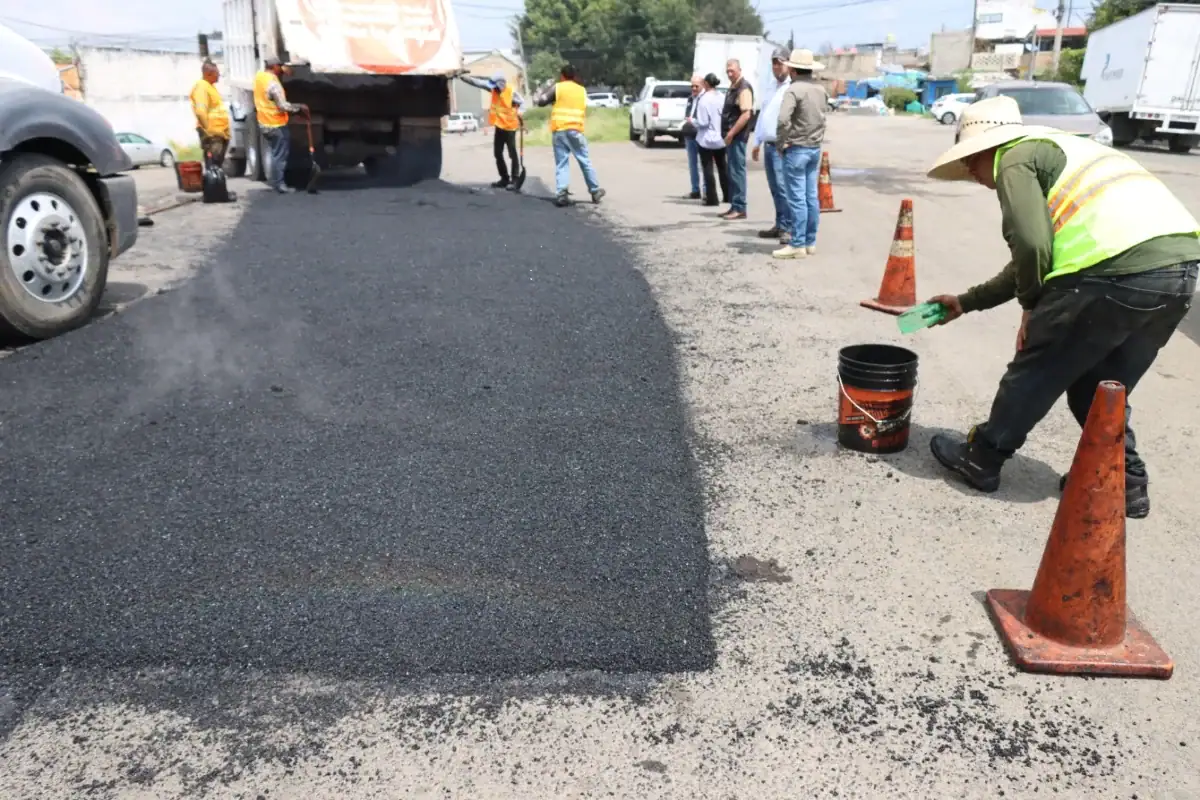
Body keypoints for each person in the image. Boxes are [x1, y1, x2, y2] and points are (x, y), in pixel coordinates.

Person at [923, 95, 1200, 518]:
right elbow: (1035, 258)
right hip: (1177, 273)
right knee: (1103, 388)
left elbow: (1032, 245)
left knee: (1035, 369)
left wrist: (1032, 309)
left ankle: (982, 458)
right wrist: (967, 301)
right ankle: (1124, 482)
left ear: (984, 149)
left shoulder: (1013, 158)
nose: (974, 177)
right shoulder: (1071, 149)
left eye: (970, 166)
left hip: (1110, 274)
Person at [773, 49, 828, 260]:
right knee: (810, 197)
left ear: (793, 70)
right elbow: (823, 119)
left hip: (796, 148)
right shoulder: (820, 90)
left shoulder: (793, 90)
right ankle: (809, 241)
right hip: (814, 148)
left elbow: (782, 120)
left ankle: (797, 244)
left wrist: (781, 142)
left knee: (796, 199)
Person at [534, 63, 605, 207]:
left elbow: (541, 102)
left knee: (562, 163)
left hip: (560, 130)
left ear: (562, 75)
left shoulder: (558, 87)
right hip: (576, 130)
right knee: (584, 160)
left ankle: (562, 194)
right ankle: (595, 191)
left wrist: (548, 88)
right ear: (574, 76)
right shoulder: (581, 90)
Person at [751, 48, 792, 245]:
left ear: (789, 64)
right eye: (774, 63)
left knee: (784, 188)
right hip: (768, 143)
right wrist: (757, 141)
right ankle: (780, 223)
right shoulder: (771, 87)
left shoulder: (791, 88)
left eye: (780, 63)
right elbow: (763, 114)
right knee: (775, 188)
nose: (777, 67)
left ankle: (788, 227)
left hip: (781, 145)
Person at [459, 72, 524, 189]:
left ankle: (515, 179)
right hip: (499, 126)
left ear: (501, 84)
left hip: (510, 127)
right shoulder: (493, 89)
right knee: (497, 153)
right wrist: (462, 77)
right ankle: (504, 178)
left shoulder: (511, 92)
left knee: (512, 153)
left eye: (494, 86)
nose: (492, 88)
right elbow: (477, 83)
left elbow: (522, 103)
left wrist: (520, 111)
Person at [253, 56, 307, 194]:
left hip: (264, 122)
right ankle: (280, 185)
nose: (281, 69)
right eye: (280, 66)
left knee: (275, 153)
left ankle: (276, 181)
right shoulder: (273, 83)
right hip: (275, 124)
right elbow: (283, 106)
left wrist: (286, 72)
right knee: (280, 155)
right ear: (274, 66)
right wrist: (299, 108)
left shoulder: (260, 77)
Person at [719, 58, 754, 221]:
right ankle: (734, 205)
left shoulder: (743, 88)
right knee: (732, 172)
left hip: (737, 138)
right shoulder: (733, 87)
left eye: (732, 70)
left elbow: (746, 114)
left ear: (739, 69)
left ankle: (740, 207)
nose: (729, 73)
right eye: (727, 71)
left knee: (737, 172)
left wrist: (731, 133)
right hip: (731, 138)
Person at [694, 73, 730, 208]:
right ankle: (727, 195)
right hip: (720, 138)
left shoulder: (703, 100)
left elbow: (703, 122)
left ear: (706, 84)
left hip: (706, 139)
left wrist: (693, 122)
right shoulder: (722, 97)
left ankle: (712, 197)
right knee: (722, 167)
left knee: (708, 168)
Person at [190, 60, 230, 169]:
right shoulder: (201, 87)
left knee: (216, 164)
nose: (219, 76)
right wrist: (209, 130)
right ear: (208, 74)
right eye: (217, 73)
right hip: (213, 133)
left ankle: (216, 184)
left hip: (218, 132)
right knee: (213, 163)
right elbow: (200, 111)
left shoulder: (209, 86)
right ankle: (213, 185)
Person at [682, 74, 706, 200]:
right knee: (692, 163)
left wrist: (694, 120)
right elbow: (687, 112)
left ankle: (706, 190)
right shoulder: (690, 98)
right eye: (692, 86)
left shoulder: (705, 99)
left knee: (704, 164)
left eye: (696, 86)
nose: (694, 88)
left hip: (701, 134)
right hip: (690, 134)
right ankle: (695, 190)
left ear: (702, 85)